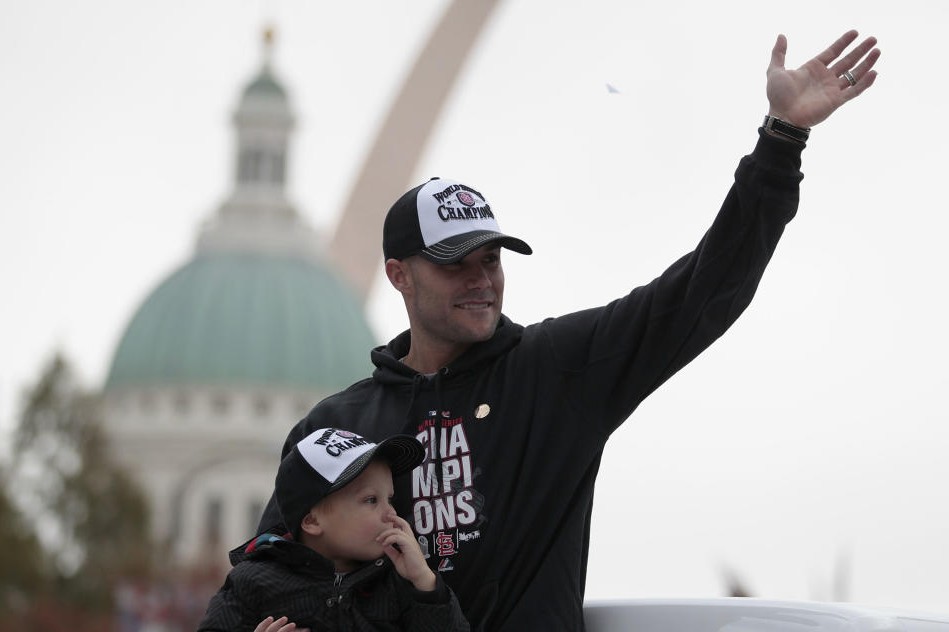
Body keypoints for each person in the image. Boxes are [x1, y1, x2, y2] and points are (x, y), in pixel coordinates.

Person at [252, 30, 881, 632]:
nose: (481, 280)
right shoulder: (335, 427)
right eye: (455, 264)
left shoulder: (557, 370)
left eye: (492, 260)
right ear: (398, 276)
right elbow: (262, 575)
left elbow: (701, 293)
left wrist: (782, 139)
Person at [198, 429, 470, 632]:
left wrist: (424, 582)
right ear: (312, 522)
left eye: (390, 498)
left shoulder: (397, 582)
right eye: (371, 500)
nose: (391, 512)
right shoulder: (253, 581)